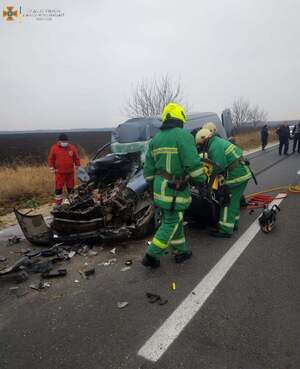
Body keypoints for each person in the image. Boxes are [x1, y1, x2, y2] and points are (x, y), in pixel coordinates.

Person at [142, 103, 207, 268]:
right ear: (180, 118)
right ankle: (151, 255)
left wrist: (152, 186)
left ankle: (181, 251)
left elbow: (148, 170)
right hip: (174, 189)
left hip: (160, 188)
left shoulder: (155, 140)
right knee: (171, 222)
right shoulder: (183, 136)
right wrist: (201, 180)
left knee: (174, 219)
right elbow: (193, 163)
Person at [195, 128, 252, 238]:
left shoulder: (214, 146)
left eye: (200, 145)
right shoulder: (217, 141)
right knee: (234, 200)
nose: (201, 147)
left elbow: (218, 167)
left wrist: (209, 186)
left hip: (236, 176)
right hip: (242, 173)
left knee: (227, 201)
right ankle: (233, 224)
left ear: (204, 140)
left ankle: (225, 230)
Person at [48, 133, 81, 206]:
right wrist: (51, 167)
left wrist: (78, 165)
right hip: (59, 173)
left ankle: (72, 202)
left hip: (70, 173)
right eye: (63, 141)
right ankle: (58, 204)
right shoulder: (54, 148)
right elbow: (51, 159)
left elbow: (76, 157)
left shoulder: (72, 148)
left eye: (66, 141)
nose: (64, 143)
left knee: (71, 188)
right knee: (58, 188)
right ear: (59, 141)